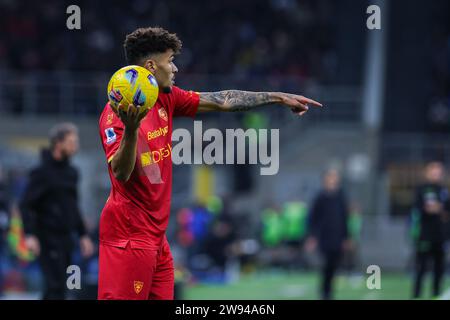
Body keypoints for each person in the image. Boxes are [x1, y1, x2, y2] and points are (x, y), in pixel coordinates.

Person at [98, 26, 322, 300]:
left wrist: (276, 97)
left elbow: (221, 101)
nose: (175, 68)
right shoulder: (115, 116)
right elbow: (121, 173)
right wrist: (132, 131)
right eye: (170, 61)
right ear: (150, 66)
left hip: (157, 238)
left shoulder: (164, 99)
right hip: (128, 237)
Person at [20, 122, 94, 300]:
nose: (75, 145)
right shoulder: (41, 172)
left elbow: (73, 205)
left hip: (67, 238)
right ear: (58, 143)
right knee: (55, 285)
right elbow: (26, 204)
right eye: (71, 141)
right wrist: (30, 234)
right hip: (47, 237)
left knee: (61, 287)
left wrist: (83, 235)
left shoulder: (72, 172)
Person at [304, 169, 351, 300]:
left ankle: (329, 291)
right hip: (324, 237)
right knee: (327, 264)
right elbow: (313, 218)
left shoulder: (341, 196)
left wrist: (347, 237)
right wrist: (312, 237)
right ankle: (325, 292)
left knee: (334, 264)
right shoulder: (320, 197)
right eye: (330, 177)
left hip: (338, 237)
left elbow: (344, 218)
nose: (333, 180)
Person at [411, 161, 449, 299]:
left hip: (440, 237)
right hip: (424, 236)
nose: (436, 174)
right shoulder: (421, 189)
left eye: (439, 172)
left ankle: (436, 296)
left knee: (439, 271)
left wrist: (438, 209)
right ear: (427, 172)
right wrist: (435, 209)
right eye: (434, 171)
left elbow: (446, 212)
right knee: (421, 269)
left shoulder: (444, 190)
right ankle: (416, 296)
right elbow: (420, 209)